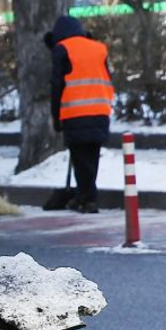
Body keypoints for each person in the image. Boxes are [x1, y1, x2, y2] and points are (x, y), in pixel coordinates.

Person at [46, 15, 113, 213]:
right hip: (100, 109)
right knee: (91, 156)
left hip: (74, 111)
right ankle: (85, 197)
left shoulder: (62, 49)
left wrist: (55, 116)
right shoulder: (99, 48)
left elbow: (57, 85)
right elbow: (107, 77)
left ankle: (88, 198)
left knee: (80, 156)